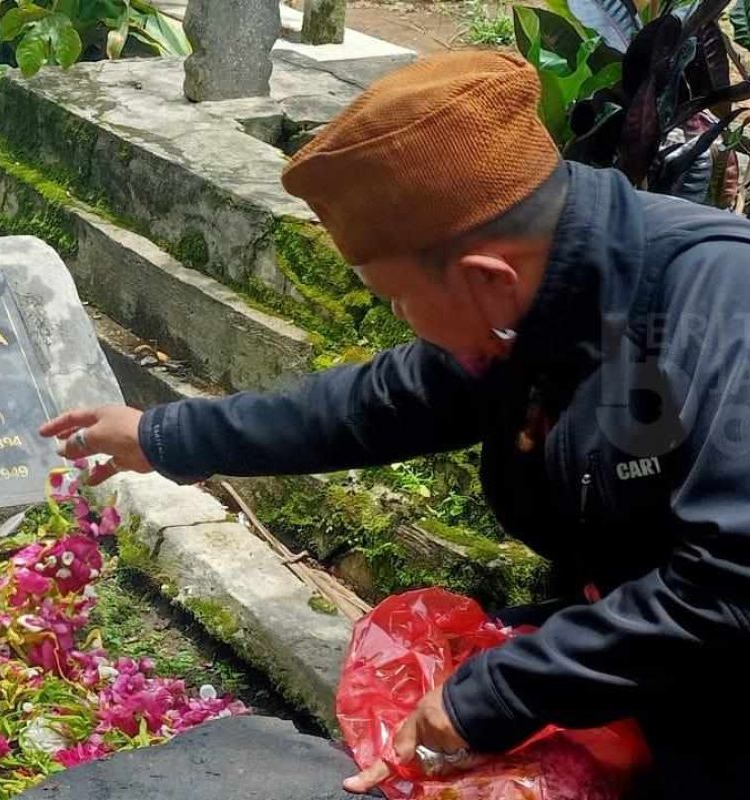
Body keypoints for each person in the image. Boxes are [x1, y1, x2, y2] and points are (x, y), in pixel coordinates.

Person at [39, 50, 750, 797]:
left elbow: (728, 584)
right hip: (649, 691)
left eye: (397, 303)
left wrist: (497, 695)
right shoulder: (541, 305)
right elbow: (376, 403)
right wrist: (162, 437)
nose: (403, 326)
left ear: (486, 278)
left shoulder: (717, 309)